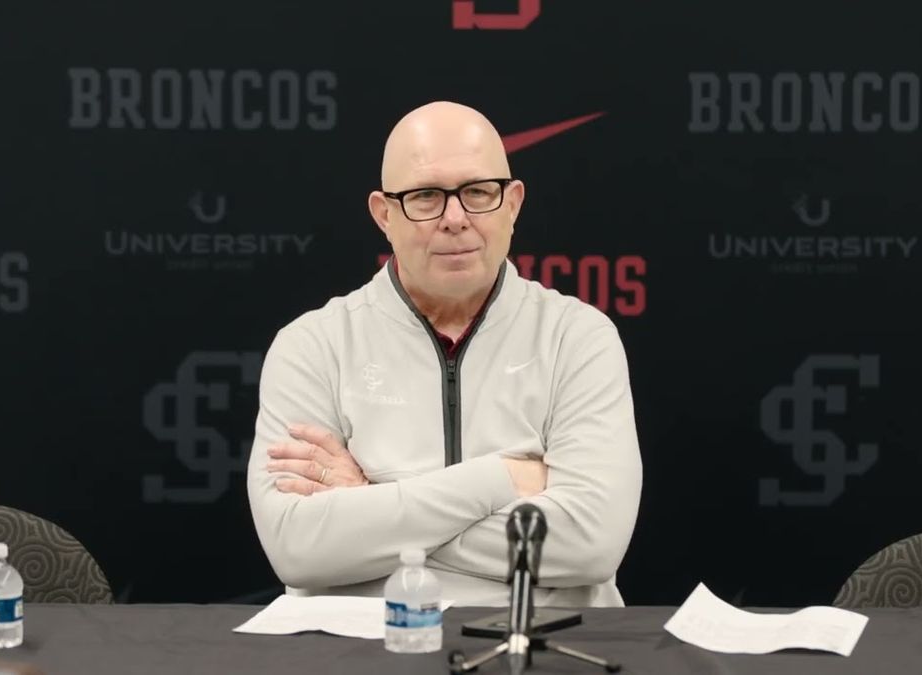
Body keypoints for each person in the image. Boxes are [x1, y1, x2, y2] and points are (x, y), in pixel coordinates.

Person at [246, 101, 642, 607]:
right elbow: (299, 548)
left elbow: (590, 544)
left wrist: (371, 506)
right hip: (362, 644)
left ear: (513, 204)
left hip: (547, 641)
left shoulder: (577, 338)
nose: (455, 219)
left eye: (478, 192)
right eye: (426, 196)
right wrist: (500, 479)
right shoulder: (312, 345)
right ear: (384, 215)